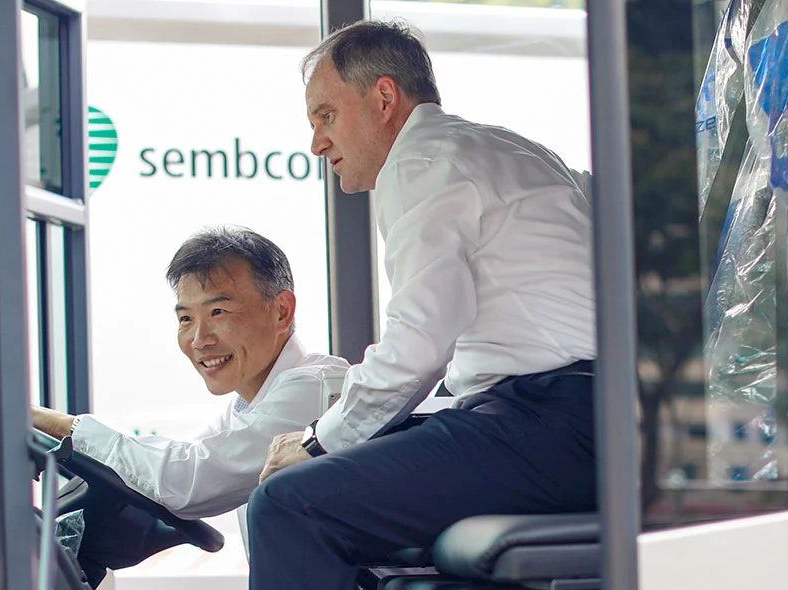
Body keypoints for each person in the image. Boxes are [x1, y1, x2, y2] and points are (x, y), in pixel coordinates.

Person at [248, 19, 597, 589]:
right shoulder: (506, 148)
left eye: (326, 116)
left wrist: (317, 440)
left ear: (384, 98)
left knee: (287, 506)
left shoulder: (420, 162)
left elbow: (418, 345)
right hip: (580, 419)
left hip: (550, 424)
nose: (317, 143)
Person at [33, 226, 349, 587]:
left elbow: (188, 482)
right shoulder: (248, 405)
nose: (199, 340)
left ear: (281, 311)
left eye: (218, 311)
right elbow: (179, 458)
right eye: (186, 319)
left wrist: (60, 424)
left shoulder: (315, 388)